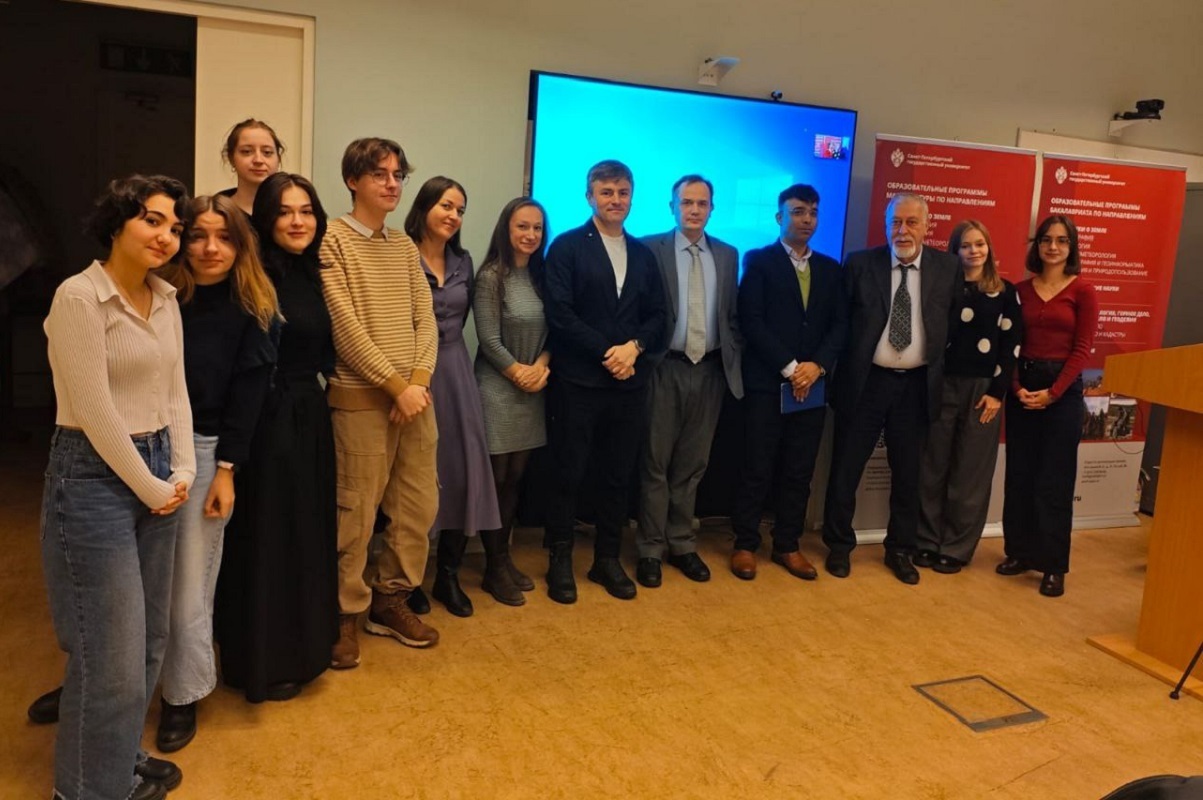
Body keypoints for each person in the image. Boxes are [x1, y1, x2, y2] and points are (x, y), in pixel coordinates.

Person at [42, 174, 194, 800]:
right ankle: (88, 791)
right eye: (152, 220)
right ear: (117, 223)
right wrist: (151, 486)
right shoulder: (79, 297)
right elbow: (94, 410)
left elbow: (175, 391)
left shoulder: (165, 298)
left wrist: (182, 470)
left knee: (149, 640)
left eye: (175, 227)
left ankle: (116, 758)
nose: (166, 236)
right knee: (110, 654)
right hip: (93, 478)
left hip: (158, 469)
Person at [214, 173, 339, 701]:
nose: (297, 221)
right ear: (265, 219)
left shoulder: (312, 271)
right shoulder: (253, 276)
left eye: (306, 211)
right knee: (268, 540)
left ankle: (306, 652)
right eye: (285, 211)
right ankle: (263, 662)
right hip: (267, 420)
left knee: (305, 536)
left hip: (309, 415)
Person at [319, 138, 440, 669]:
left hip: (415, 399)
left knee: (417, 506)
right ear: (353, 180)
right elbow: (344, 329)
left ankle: (390, 600)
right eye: (379, 175)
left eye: (397, 175)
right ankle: (344, 611)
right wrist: (396, 387)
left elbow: (425, 320)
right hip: (362, 400)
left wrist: (416, 384)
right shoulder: (331, 241)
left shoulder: (404, 246)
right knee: (356, 513)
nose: (392, 184)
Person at [542, 159, 666, 603]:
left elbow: (658, 315)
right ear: (589, 196)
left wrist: (634, 347)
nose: (616, 200)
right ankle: (560, 559)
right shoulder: (567, 247)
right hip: (578, 382)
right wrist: (608, 352)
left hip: (628, 385)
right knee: (568, 472)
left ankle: (607, 559)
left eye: (623, 192)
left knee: (618, 476)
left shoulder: (643, 254)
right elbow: (560, 314)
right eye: (607, 192)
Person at [821, 193, 960, 584]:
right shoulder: (860, 264)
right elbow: (842, 323)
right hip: (866, 383)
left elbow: (949, 324)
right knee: (846, 469)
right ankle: (839, 546)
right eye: (895, 222)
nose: (902, 230)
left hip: (916, 386)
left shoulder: (947, 268)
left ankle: (900, 549)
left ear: (927, 226)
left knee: (909, 476)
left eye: (911, 222)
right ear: (885, 226)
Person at [730, 183, 847, 581]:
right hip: (768, 384)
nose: (806, 219)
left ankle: (787, 545)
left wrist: (817, 367)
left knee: (799, 471)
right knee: (756, 466)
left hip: (813, 387)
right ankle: (745, 543)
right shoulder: (759, 260)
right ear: (780, 217)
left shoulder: (831, 268)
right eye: (798, 212)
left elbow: (839, 325)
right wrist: (791, 367)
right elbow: (751, 320)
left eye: (812, 212)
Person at [635, 175, 742, 587]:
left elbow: (731, 315)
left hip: (711, 371)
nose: (694, 209)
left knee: (692, 465)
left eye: (702, 203)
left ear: (712, 209)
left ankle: (681, 542)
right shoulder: (649, 248)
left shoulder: (728, 255)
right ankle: (649, 548)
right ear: (672, 207)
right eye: (686, 202)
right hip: (665, 367)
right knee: (655, 463)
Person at [404, 176, 504, 617]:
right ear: (424, 206)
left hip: (457, 371)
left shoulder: (463, 261)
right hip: (413, 375)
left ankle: (447, 574)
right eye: (446, 205)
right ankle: (407, 579)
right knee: (413, 481)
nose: (453, 215)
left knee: (461, 474)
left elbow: (465, 321)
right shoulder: (401, 253)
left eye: (460, 210)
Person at [998, 214, 1097, 597]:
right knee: (1020, 475)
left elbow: (1082, 349)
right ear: (1037, 246)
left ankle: (1053, 565)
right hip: (1022, 387)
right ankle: (1019, 553)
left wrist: (1054, 393)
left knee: (1054, 481)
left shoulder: (1083, 291)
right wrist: (1017, 387)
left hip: (1062, 394)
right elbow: (1011, 344)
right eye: (1046, 240)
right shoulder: (1020, 291)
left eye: (1061, 240)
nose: (1053, 247)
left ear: (1071, 247)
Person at [915, 220, 1022, 574]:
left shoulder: (1005, 292)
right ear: (954, 250)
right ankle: (926, 540)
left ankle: (956, 547)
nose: (973, 251)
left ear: (989, 248)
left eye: (979, 244)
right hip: (942, 385)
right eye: (965, 245)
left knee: (970, 472)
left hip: (982, 392)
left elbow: (1011, 347)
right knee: (932, 466)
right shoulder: (941, 288)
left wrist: (997, 394)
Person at [472, 197, 550, 604]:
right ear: (506, 228)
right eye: (522, 226)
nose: (530, 235)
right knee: (496, 480)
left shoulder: (542, 275)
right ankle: (493, 567)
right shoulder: (491, 276)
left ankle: (502, 557)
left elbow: (555, 332)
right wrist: (519, 373)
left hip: (533, 387)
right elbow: (488, 340)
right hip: (497, 388)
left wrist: (542, 366)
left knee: (516, 479)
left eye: (537, 228)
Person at [219, 118, 284, 215]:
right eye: (247, 151)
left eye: (267, 152)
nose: (258, 160)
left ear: (278, 158)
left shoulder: (293, 210)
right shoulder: (217, 211)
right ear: (231, 158)